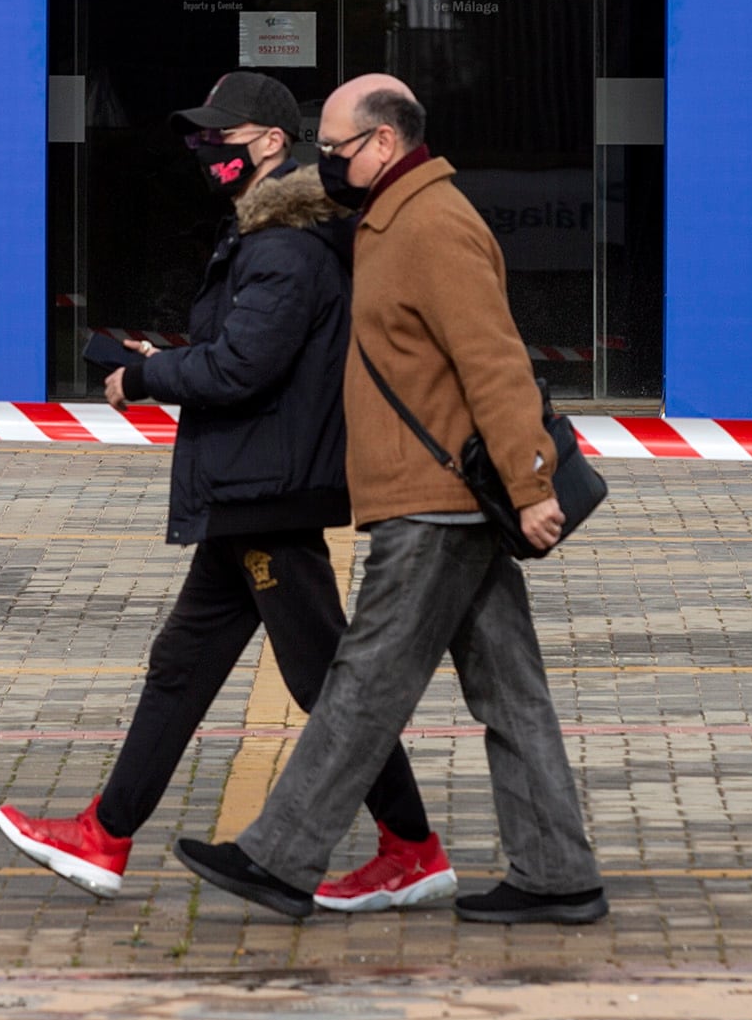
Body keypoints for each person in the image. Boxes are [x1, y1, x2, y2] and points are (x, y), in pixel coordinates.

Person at [0, 69, 456, 911]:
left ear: (273, 142)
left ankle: (412, 847)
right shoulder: (270, 231)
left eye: (222, 140)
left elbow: (244, 365)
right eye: (200, 141)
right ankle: (105, 834)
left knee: (324, 680)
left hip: (266, 486)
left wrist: (144, 375)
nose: (207, 155)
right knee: (182, 664)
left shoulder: (280, 242)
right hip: (249, 483)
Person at [173, 73, 608, 927]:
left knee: (363, 685)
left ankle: (277, 857)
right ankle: (558, 874)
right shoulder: (388, 219)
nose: (324, 163)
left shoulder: (432, 225)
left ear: (381, 143)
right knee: (510, 693)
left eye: (334, 149)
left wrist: (528, 486)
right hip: (437, 496)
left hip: (436, 500)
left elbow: (494, 360)